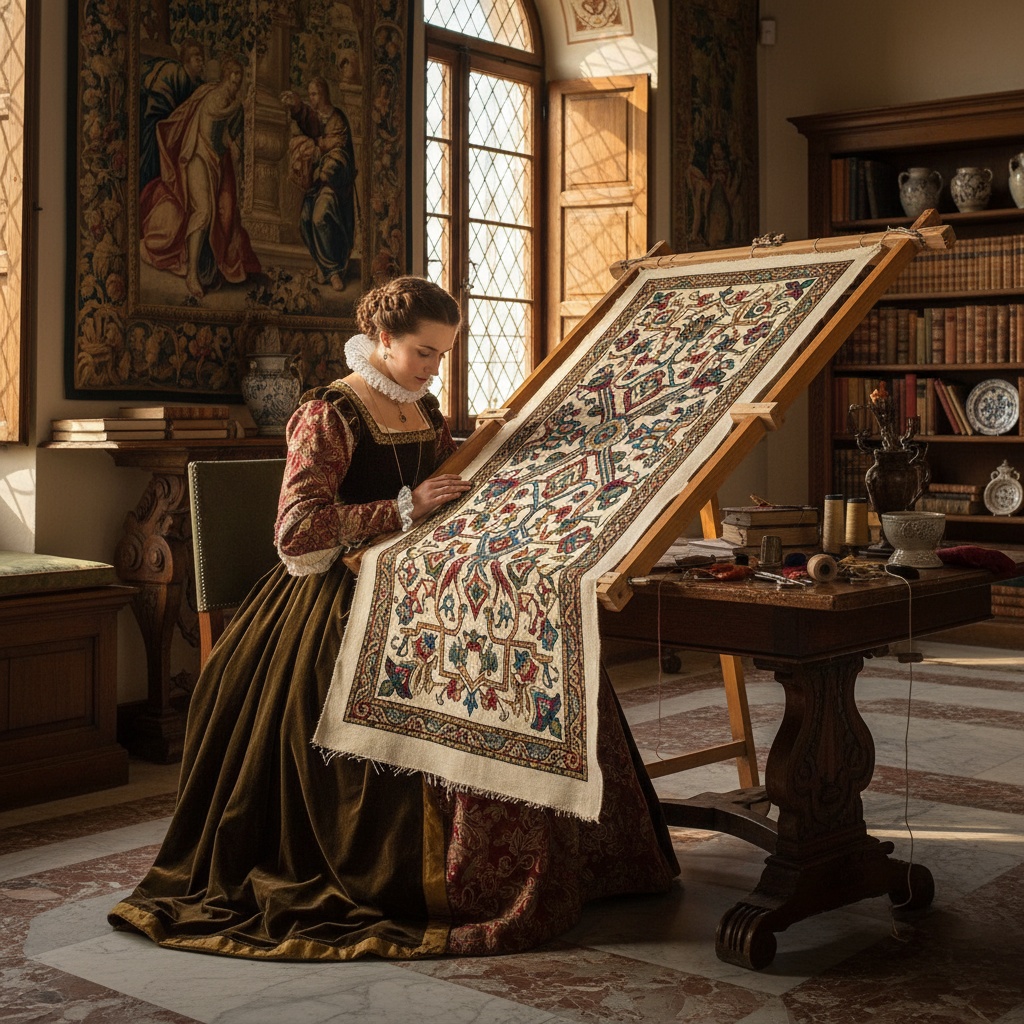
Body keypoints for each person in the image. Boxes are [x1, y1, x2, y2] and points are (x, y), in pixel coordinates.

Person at [108, 276, 678, 960]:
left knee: (529, 640)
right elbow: (297, 533)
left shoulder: (424, 407)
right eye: (422, 353)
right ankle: (433, 876)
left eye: (442, 355)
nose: (434, 367)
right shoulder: (330, 413)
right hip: (336, 596)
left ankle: (568, 860)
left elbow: (449, 486)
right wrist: (405, 506)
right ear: (380, 339)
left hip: (419, 579)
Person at [139, 57, 261, 299]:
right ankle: (192, 273)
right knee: (203, 212)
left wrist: (233, 144)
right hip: (196, 156)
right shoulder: (213, 94)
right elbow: (214, 113)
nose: (236, 80)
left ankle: (208, 266)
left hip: (215, 161)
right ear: (226, 75)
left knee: (223, 214)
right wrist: (239, 108)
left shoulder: (234, 102)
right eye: (233, 74)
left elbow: (225, 133)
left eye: (239, 76)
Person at [281, 77, 357, 292]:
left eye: (314, 94)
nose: (311, 99)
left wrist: (323, 166)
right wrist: (296, 105)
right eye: (310, 94)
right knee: (305, 220)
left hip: (334, 183)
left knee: (320, 217)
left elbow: (340, 151)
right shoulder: (317, 117)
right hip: (317, 182)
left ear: (323, 94)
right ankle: (323, 267)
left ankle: (333, 271)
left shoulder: (337, 119)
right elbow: (308, 120)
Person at [139, 39, 206, 189]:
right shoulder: (176, 72)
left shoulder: (197, 84)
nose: (201, 62)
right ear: (187, 60)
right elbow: (162, 101)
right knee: (153, 158)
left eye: (202, 59)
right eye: (197, 58)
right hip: (157, 118)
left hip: (172, 124)